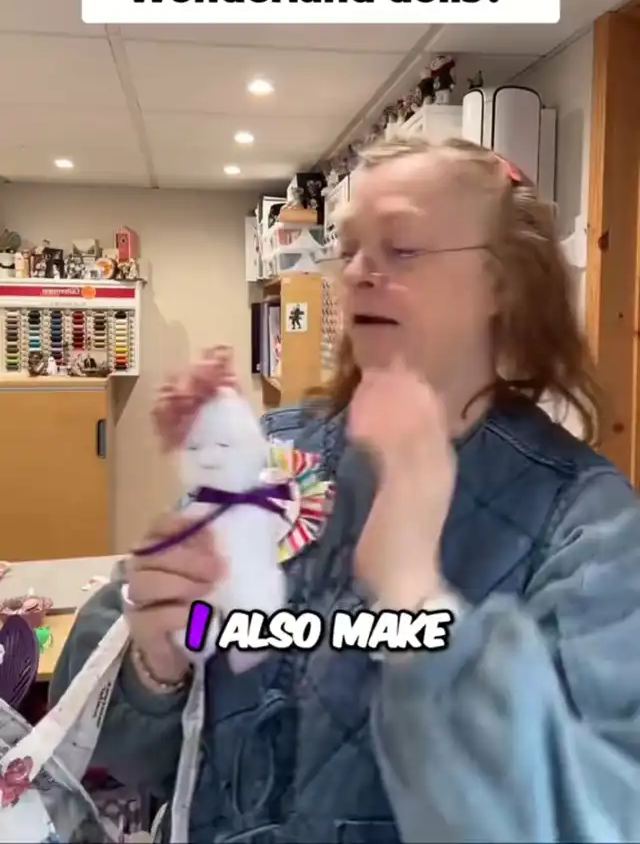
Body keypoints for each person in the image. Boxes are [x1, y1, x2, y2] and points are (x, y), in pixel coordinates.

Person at [52, 133, 640, 843]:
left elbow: (595, 813)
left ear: (502, 283)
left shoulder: (586, 524)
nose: (359, 272)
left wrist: (415, 595)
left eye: (402, 249)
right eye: (351, 247)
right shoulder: (269, 459)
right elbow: (126, 749)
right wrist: (159, 664)